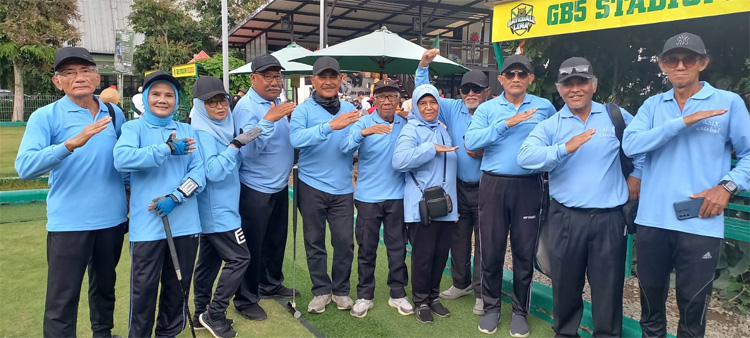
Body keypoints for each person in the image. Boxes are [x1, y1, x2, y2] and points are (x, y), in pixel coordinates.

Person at [623, 32, 750, 338]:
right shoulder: (654, 105)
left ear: (702, 63)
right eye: (671, 60)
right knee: (651, 307)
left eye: (689, 59)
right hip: (653, 220)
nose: (680, 66)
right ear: (662, 66)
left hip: (700, 222)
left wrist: (727, 186)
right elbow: (631, 144)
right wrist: (683, 122)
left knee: (692, 310)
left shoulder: (727, 103)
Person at [517, 57, 643, 338]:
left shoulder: (615, 116)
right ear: (560, 89)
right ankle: (565, 333)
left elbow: (643, 146)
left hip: (609, 220)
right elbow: (525, 157)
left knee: (608, 288)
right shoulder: (552, 125)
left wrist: (638, 175)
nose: (575, 89)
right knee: (565, 285)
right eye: (568, 83)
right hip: (565, 218)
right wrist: (563, 148)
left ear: (593, 85)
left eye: (581, 82)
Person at [15, 46, 128, 338]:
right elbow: (25, 167)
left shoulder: (115, 113)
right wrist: (71, 143)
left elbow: (124, 164)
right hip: (69, 222)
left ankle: (102, 333)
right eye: (69, 72)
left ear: (96, 76)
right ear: (58, 81)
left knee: (105, 287)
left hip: (112, 220)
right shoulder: (45, 116)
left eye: (85, 70)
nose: (79, 77)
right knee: (62, 298)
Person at [464, 54, 557, 336]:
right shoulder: (489, 108)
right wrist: (508, 123)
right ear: (501, 79)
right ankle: (492, 308)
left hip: (529, 186)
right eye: (510, 74)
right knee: (490, 251)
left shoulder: (545, 107)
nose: (516, 79)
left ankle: (520, 312)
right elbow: (471, 141)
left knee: (523, 252)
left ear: (530, 78)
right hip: (493, 185)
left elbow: (557, 141)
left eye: (522, 74)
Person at [113, 71, 206, 338]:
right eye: (156, 94)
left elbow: (199, 174)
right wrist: (165, 150)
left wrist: (176, 197)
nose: (162, 100)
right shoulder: (133, 128)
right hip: (147, 228)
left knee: (177, 291)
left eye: (169, 95)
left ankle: (168, 334)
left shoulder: (188, 131)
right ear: (145, 98)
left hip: (186, 225)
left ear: (177, 100)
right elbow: (122, 160)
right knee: (143, 292)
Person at [416, 49, 489, 316]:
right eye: (465, 89)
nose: (470, 93)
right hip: (458, 187)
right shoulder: (452, 108)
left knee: (484, 242)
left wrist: (487, 150)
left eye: (476, 89)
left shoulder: (492, 111)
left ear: (487, 91)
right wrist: (423, 66)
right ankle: (462, 283)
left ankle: (482, 293)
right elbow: (425, 95)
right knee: (458, 239)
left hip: (486, 188)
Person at [190, 76, 260, 338]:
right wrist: (235, 145)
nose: (220, 107)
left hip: (221, 209)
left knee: (208, 263)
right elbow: (213, 173)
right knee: (241, 258)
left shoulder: (221, 128)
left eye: (223, 101)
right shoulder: (203, 132)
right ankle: (214, 313)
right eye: (211, 103)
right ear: (200, 105)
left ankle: (200, 313)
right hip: (217, 212)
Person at [290, 57, 360, 314]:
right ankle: (321, 290)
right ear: (313, 80)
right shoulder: (303, 110)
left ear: (341, 79)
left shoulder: (350, 109)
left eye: (334, 77)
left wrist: (359, 137)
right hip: (311, 184)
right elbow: (296, 138)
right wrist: (331, 126)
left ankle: (341, 290)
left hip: (342, 187)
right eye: (323, 77)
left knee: (344, 242)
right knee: (314, 241)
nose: (329, 82)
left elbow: (352, 143)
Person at [232, 54, 299, 321]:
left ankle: (270, 283)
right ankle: (245, 298)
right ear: (253, 78)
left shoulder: (277, 102)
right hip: (255, 188)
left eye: (277, 76)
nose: (275, 82)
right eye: (268, 76)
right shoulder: (247, 107)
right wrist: (268, 121)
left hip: (279, 185)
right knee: (251, 246)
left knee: (274, 239)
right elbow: (248, 150)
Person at [340, 78, 413, 318]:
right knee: (367, 248)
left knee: (397, 248)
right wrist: (365, 132)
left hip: (397, 196)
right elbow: (344, 148)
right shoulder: (364, 121)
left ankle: (398, 293)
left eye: (391, 96)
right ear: (375, 100)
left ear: (398, 99)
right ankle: (364, 295)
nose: (386, 101)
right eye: (381, 96)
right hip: (368, 197)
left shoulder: (405, 122)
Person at [392, 84, 459, 324]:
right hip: (422, 206)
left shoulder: (442, 128)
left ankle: (433, 296)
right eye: (423, 103)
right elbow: (399, 161)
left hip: (446, 204)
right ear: (416, 106)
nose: (429, 107)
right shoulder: (412, 130)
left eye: (433, 103)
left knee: (441, 255)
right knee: (423, 255)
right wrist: (429, 148)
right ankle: (420, 300)